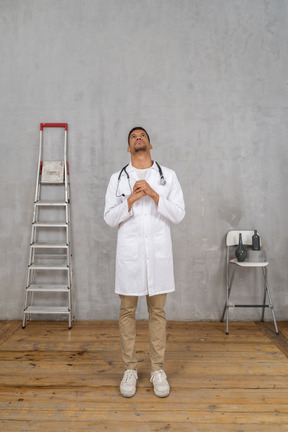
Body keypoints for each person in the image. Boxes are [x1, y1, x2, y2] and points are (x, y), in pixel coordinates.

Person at [104, 127, 185, 398]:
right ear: (129, 148)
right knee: (127, 312)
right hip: (130, 258)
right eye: (132, 137)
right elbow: (109, 218)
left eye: (142, 136)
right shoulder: (118, 179)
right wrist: (131, 199)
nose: (138, 138)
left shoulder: (168, 177)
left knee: (157, 313)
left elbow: (178, 215)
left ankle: (157, 370)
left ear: (150, 143)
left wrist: (153, 193)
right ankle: (129, 369)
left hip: (158, 256)